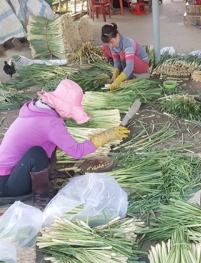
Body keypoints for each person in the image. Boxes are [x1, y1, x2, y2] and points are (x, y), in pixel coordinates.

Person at [0, 79, 130, 208]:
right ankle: (42, 198)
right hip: (8, 184)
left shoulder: (37, 110)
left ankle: (47, 174)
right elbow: (77, 152)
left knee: (46, 147)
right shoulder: (50, 123)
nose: (68, 117)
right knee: (36, 154)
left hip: (11, 174)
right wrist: (107, 135)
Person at [101, 23, 150, 91]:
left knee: (122, 53)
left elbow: (130, 66)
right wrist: (115, 72)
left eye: (111, 42)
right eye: (108, 43)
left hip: (142, 64)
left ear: (117, 36)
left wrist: (118, 80)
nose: (110, 45)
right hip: (127, 61)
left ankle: (128, 76)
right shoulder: (112, 45)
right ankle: (123, 71)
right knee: (106, 49)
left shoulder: (127, 44)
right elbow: (117, 62)